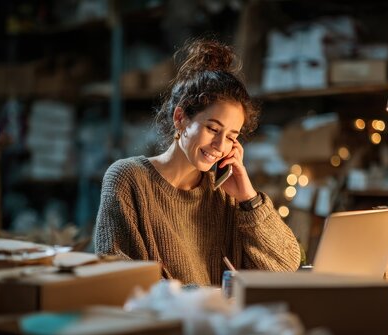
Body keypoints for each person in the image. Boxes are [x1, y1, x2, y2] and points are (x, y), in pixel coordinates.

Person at [94, 38, 300, 286]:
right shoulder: (128, 178)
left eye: (232, 137)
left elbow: (285, 266)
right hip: (163, 321)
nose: (220, 145)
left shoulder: (227, 195)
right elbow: (117, 274)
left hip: (220, 319)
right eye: (213, 129)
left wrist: (249, 199)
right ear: (180, 118)